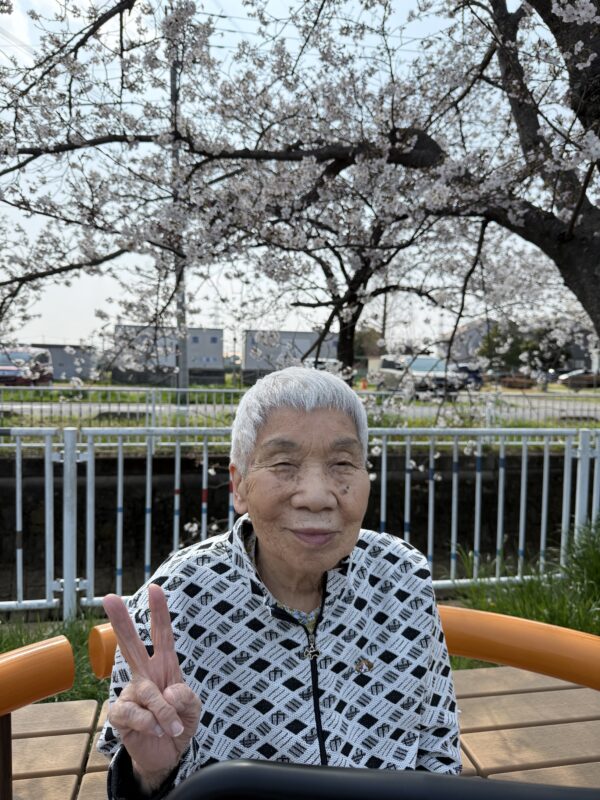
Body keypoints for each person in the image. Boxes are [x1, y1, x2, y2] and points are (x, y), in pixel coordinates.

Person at [99, 366, 461, 799]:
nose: (316, 496)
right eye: (284, 464)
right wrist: (150, 772)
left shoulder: (401, 578)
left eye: (342, 463)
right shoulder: (176, 599)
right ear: (239, 486)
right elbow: (136, 774)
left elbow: (438, 749)